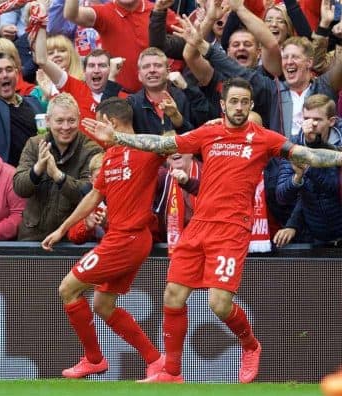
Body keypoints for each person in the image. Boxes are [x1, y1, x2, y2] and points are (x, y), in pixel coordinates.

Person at [83, 77, 342, 383]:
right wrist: (119, 138)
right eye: (234, 101)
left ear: (251, 104)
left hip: (232, 229)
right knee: (173, 296)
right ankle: (171, 373)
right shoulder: (208, 132)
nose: (239, 107)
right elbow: (164, 144)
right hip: (200, 226)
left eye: (245, 102)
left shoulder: (263, 138)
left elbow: (308, 156)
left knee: (218, 304)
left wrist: (339, 157)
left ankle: (251, 346)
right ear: (223, 105)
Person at [41, 97, 165, 379]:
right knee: (102, 304)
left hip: (128, 239)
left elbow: (174, 141)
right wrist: (62, 229)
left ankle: (94, 359)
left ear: (110, 123)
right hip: (121, 238)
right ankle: (156, 361)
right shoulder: (110, 156)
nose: (94, 129)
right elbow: (94, 197)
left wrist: (175, 115)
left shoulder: (147, 149)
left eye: (98, 122)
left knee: (68, 289)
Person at [13, 92, 102, 241]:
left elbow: (90, 193)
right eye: (59, 121)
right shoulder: (34, 144)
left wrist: (58, 176)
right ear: (48, 121)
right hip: (33, 237)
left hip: (73, 238)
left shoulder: (92, 150)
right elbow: (19, 188)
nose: (66, 127)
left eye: (71, 120)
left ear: (79, 120)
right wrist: (38, 169)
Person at [274, 94, 342, 247]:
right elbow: (281, 197)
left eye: (317, 120)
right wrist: (297, 178)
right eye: (306, 118)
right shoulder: (294, 146)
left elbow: (335, 187)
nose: (310, 124)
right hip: (317, 237)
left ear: (331, 121)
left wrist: (307, 163)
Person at [67, 152, 107, 244]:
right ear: (91, 180)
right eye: (98, 177)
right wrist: (86, 226)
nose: (102, 182)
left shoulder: (121, 198)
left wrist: (107, 224)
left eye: (106, 177)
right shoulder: (87, 199)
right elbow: (73, 236)